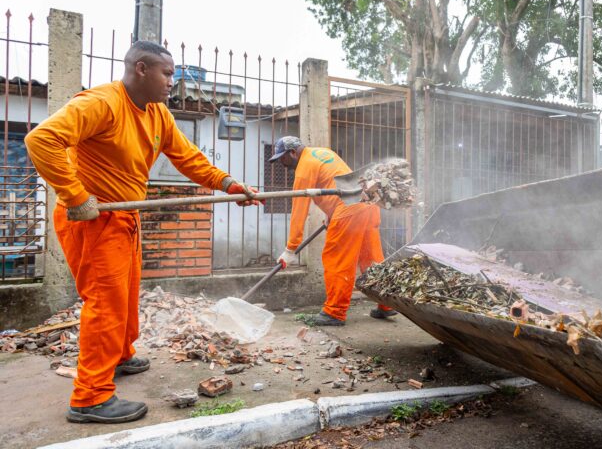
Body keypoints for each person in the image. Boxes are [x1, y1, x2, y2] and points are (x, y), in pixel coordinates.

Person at [24, 41, 261, 424]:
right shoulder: (102, 103)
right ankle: (90, 397)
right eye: (167, 73)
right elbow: (40, 140)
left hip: (124, 217)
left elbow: (188, 158)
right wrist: (75, 195)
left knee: (127, 294)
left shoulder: (157, 114)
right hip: (91, 219)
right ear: (140, 69)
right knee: (106, 303)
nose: (173, 81)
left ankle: (119, 357)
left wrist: (228, 183)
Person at [270, 135, 397, 326]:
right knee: (372, 259)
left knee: (336, 259)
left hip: (349, 210)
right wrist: (331, 213)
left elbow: (299, 210)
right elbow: (344, 182)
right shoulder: (323, 153)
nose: (281, 162)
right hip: (368, 205)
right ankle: (387, 304)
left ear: (293, 152)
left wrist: (291, 249)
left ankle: (334, 312)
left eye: (282, 157)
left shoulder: (304, 169)